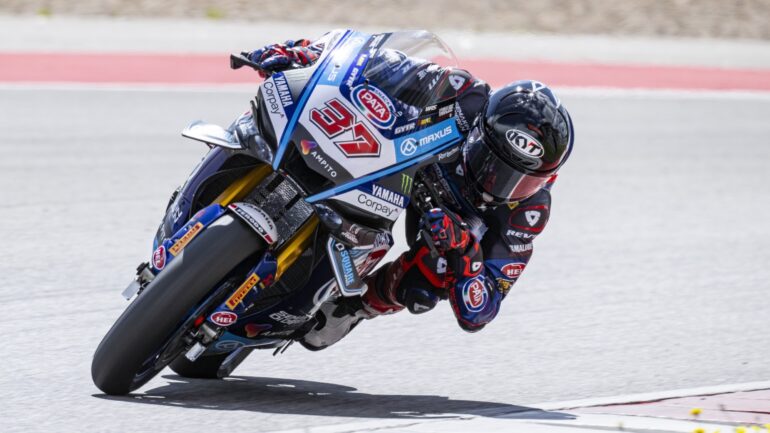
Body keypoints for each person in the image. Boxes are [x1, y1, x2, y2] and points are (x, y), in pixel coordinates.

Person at [246, 36, 574, 350]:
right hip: (399, 162)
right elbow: (379, 63)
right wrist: (306, 53)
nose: (498, 186)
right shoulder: (465, 94)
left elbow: (480, 311)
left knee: (429, 280)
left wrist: (464, 251)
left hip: (440, 223)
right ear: (479, 132)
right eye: (493, 164)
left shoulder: (528, 213)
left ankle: (352, 308)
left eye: (522, 181)